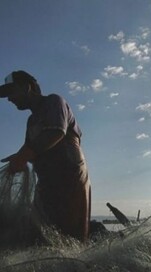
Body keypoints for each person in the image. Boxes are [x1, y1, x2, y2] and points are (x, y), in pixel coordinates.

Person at [0, 70, 91, 243]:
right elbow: (30, 150)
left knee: (71, 234)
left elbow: (56, 132)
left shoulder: (54, 101)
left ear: (27, 87)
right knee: (43, 233)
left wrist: (24, 155)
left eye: (11, 92)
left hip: (70, 179)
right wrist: (18, 158)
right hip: (47, 183)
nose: (9, 99)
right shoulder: (32, 121)